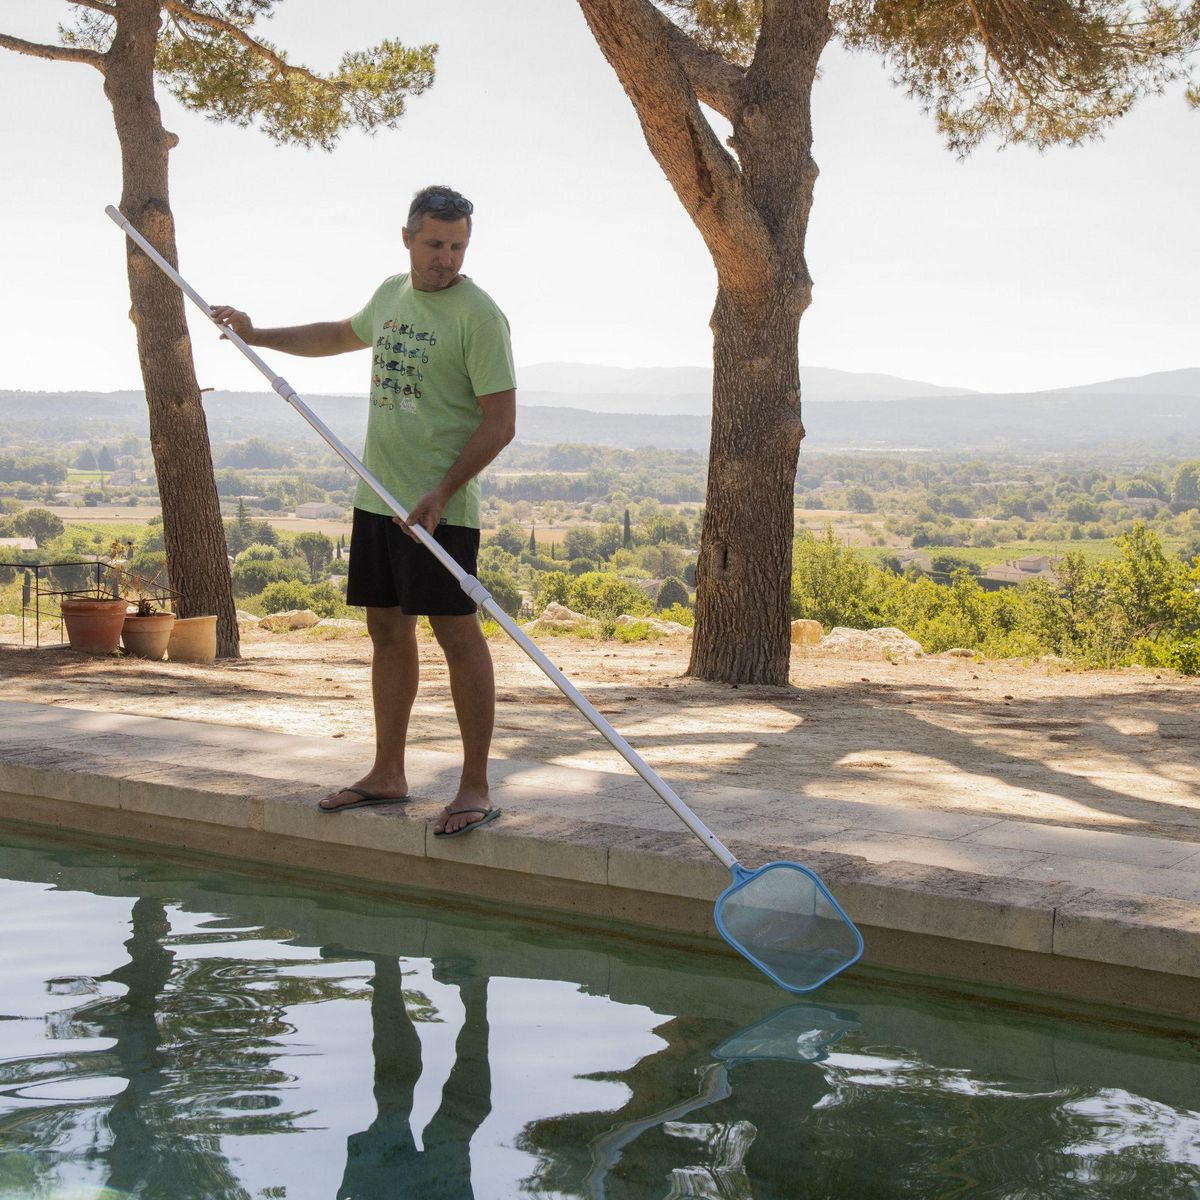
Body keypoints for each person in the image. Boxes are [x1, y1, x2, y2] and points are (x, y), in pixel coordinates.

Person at [210, 185, 516, 836]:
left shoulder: (480, 316)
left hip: (440, 509)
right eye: (435, 244)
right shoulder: (390, 294)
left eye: (458, 246)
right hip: (376, 497)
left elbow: (501, 423)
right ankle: (387, 772)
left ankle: (474, 787)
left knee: (458, 636)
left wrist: (442, 489)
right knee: (386, 631)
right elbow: (338, 334)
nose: (446, 258)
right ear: (406, 237)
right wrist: (258, 333)